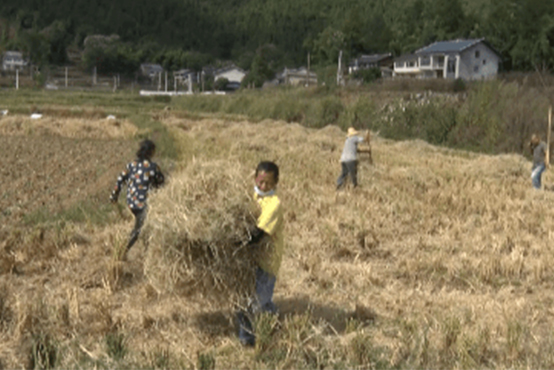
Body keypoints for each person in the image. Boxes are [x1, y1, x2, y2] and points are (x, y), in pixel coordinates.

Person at [237, 161, 284, 347]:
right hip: (249, 258)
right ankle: (263, 321)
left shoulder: (274, 204)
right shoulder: (252, 196)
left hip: (267, 260)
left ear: (276, 183)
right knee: (246, 299)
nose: (263, 186)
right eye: (260, 181)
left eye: (268, 183)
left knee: (256, 302)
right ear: (255, 178)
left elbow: (256, 235)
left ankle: (252, 338)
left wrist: (232, 241)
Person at [109, 139, 165, 256]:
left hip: (131, 202)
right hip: (143, 204)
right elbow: (162, 183)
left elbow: (119, 181)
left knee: (144, 226)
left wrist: (114, 196)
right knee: (139, 229)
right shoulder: (153, 167)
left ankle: (144, 251)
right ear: (151, 152)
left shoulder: (131, 166)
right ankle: (121, 252)